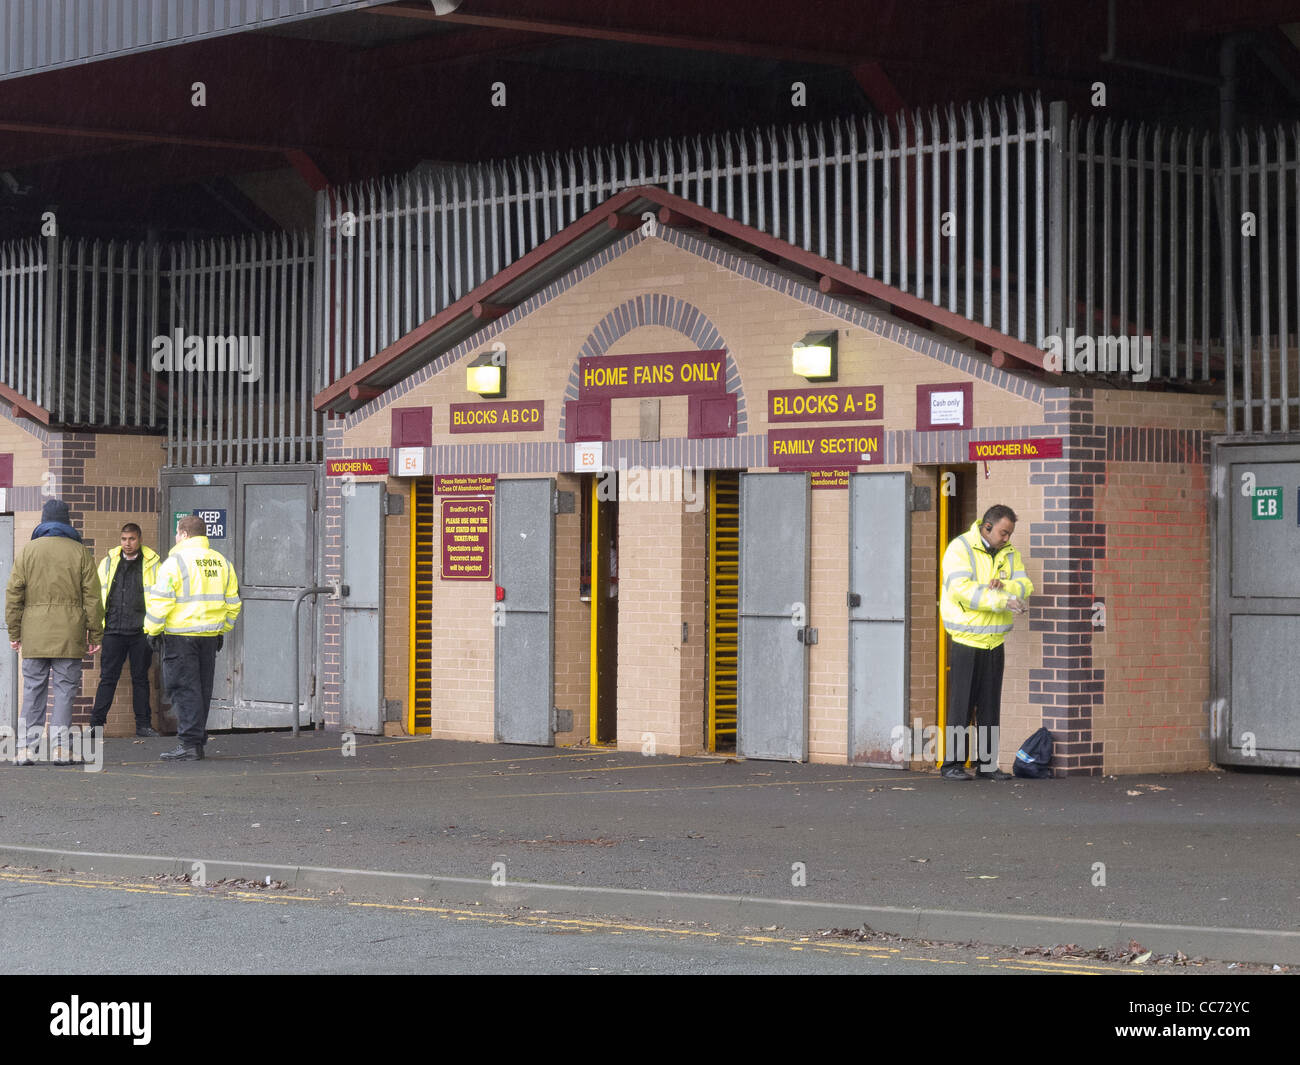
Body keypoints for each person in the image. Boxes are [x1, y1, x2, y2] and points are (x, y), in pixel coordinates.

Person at [939, 504, 1033, 780]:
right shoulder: (960, 549)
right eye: (1003, 533)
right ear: (987, 527)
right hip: (967, 639)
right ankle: (952, 765)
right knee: (962, 706)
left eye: (1010, 534)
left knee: (990, 706)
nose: (1007, 538)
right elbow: (963, 590)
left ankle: (987, 765)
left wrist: (1006, 587)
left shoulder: (1009, 553)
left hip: (994, 641)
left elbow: (1025, 584)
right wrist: (1002, 599)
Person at [5, 499, 102, 765]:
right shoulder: (80, 552)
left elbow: (14, 594)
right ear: (67, 522)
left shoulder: (28, 551)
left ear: (44, 521)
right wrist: (95, 633)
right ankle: (61, 749)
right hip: (69, 633)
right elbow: (92, 597)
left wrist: (15, 632)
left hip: (34, 633)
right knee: (64, 691)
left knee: (33, 690)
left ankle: (25, 749)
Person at [144, 515, 241, 761]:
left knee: (184, 689)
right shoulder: (222, 562)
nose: (176, 537)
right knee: (201, 689)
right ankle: (196, 742)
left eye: (178, 533)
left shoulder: (174, 562)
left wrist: (152, 631)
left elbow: (160, 602)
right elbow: (233, 603)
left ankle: (188, 743)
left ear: (185, 534)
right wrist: (222, 629)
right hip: (208, 637)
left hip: (180, 636)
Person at [90, 523, 161, 737]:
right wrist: (96, 627)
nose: (127, 544)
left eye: (131, 539)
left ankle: (144, 726)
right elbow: (96, 595)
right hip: (113, 630)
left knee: (140, 679)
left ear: (140, 539)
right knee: (107, 679)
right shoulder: (109, 562)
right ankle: (96, 726)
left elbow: (160, 597)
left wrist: (155, 629)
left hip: (141, 631)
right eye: (123, 539)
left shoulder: (153, 564)